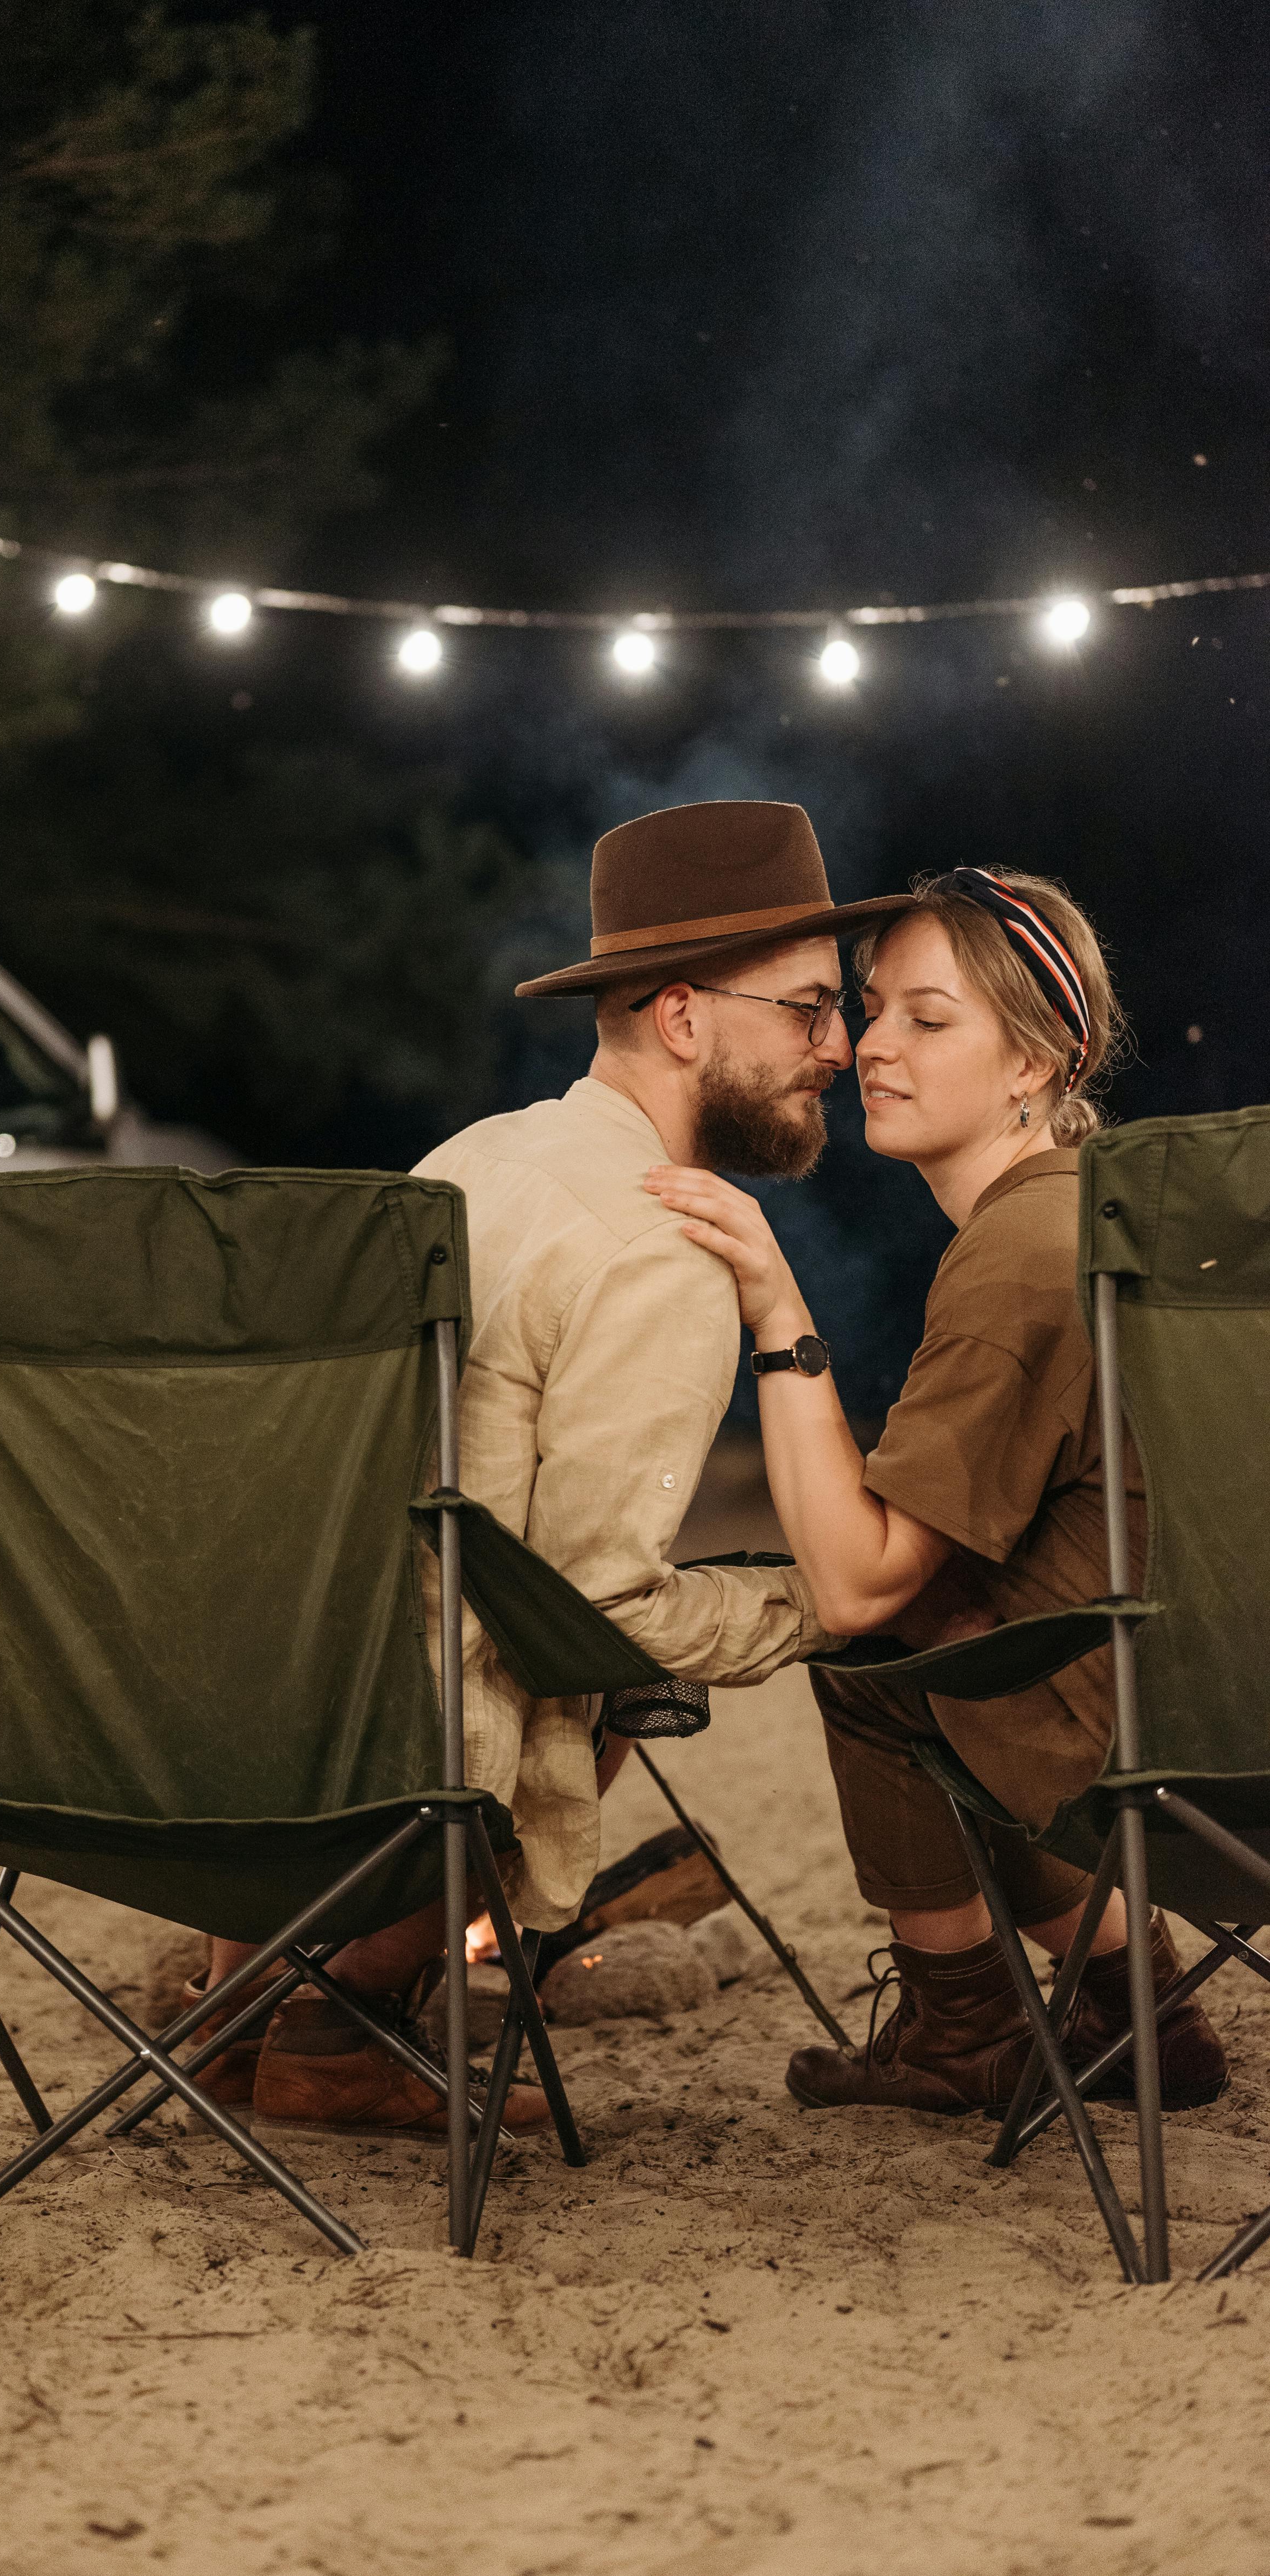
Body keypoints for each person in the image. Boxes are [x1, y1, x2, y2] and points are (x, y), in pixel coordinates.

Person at [197, 798, 912, 2139]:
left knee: (483, 1615)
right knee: (627, 1665)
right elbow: (600, 1612)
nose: (840, 1048)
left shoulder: (474, 1157)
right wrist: (827, 1601)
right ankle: (341, 2026)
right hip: (419, 1752)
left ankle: (241, 2017)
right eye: (811, 1008)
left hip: (284, 1712)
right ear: (685, 1017)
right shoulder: (662, 1246)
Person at [644, 866, 1227, 2115]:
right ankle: (1139, 2002)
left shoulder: (1020, 1258)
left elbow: (860, 1577)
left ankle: (962, 2026)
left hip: (1131, 1746)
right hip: (1227, 1721)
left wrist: (777, 1310)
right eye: (867, 1010)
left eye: (927, 1018)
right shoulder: (1100, 1212)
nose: (865, 1048)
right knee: (944, 1611)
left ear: (1036, 1062)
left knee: (870, 1649)